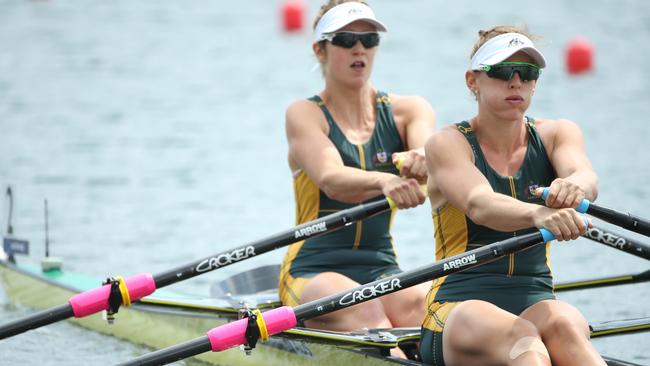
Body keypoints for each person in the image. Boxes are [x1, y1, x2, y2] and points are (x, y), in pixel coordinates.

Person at [420, 26, 604, 366]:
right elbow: (480, 204)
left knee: (567, 324)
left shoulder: (557, 134)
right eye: (502, 71)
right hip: (459, 308)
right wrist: (538, 215)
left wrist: (575, 186)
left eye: (528, 73)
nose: (516, 81)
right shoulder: (447, 144)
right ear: (472, 81)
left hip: (535, 300)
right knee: (524, 341)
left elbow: (586, 175)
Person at [278, 0, 436, 337]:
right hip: (313, 269)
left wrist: (423, 158)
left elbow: (428, 151)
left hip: (380, 265)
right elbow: (331, 179)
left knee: (428, 307)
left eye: (369, 40)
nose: (359, 48)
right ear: (320, 50)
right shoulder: (304, 114)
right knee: (365, 307)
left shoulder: (409, 111)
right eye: (346, 40)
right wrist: (384, 180)